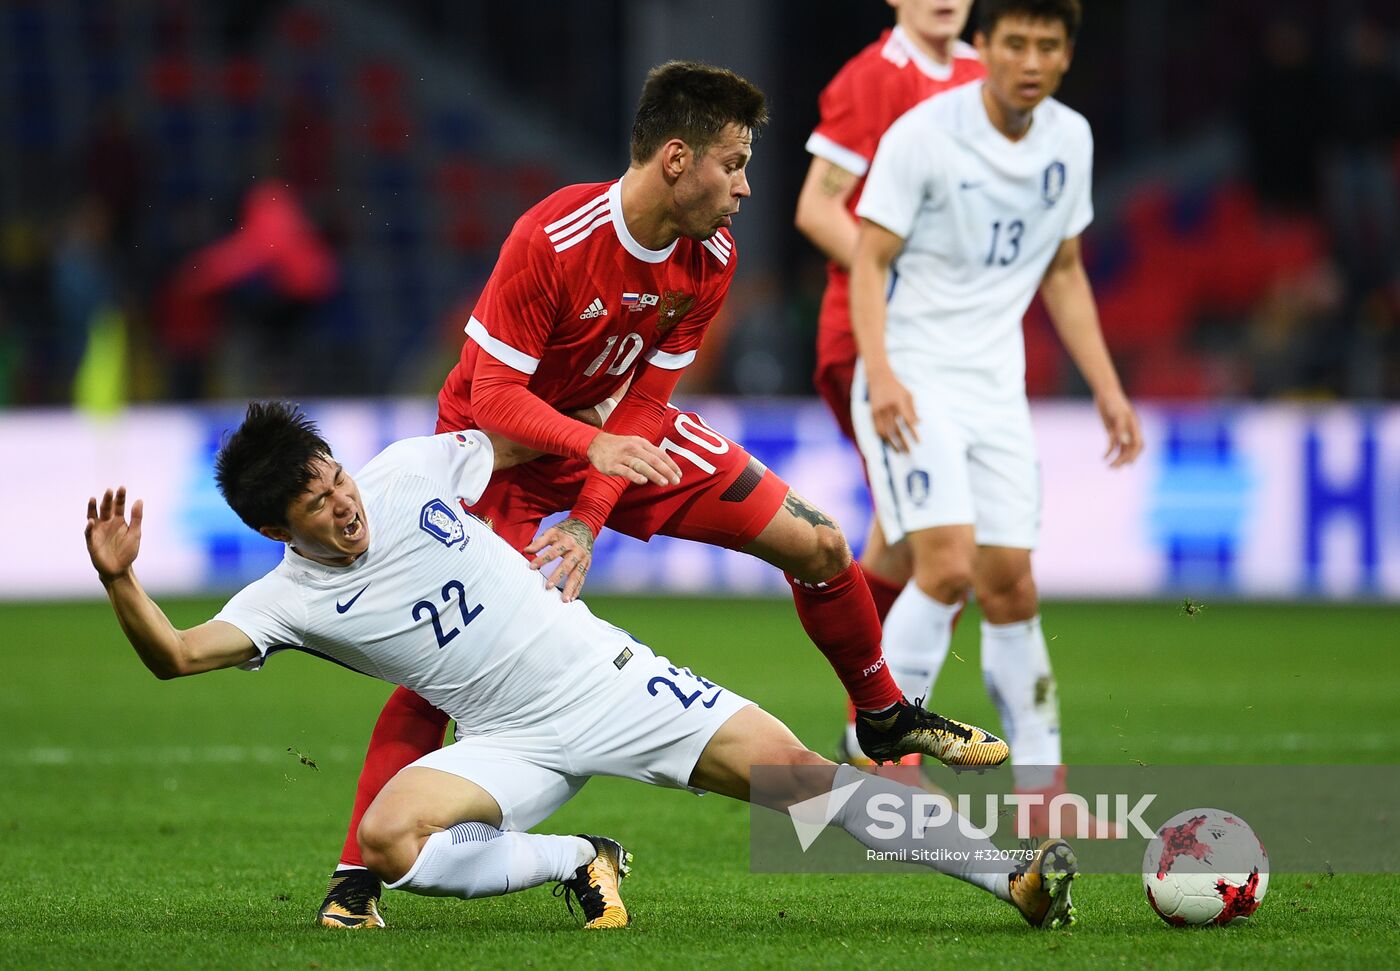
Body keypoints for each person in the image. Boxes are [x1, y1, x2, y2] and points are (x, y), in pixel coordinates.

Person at [316, 60, 1009, 929]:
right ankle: (355, 877)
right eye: (735, 162)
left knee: (822, 543)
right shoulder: (552, 239)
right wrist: (588, 448)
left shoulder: (709, 255)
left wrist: (592, 515)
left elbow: (648, 405)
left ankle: (881, 713)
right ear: (677, 159)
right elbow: (491, 397)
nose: (747, 186)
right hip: (497, 458)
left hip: (623, 436)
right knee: (439, 670)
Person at [83, 402, 1078, 932]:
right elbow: (173, 657)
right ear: (273, 526)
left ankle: (1014, 879)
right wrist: (125, 583)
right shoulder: (284, 599)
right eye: (313, 502)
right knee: (389, 839)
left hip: (606, 679)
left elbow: (521, 437)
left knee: (802, 786)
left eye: (332, 475)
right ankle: (576, 855)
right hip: (507, 741)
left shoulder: (409, 468)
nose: (341, 502)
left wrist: (602, 448)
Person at [848, 0, 1143, 833]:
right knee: (944, 563)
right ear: (984, 47)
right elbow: (870, 261)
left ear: (1066, 56)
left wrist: (1107, 387)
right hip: (910, 376)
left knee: (1011, 581)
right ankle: (885, 756)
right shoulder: (924, 135)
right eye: (1015, 42)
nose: (1030, 59)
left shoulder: (1070, 140)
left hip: (995, 388)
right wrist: (881, 373)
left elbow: (1066, 271)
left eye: (1048, 45)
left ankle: (1045, 789)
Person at [794, 0, 984, 766]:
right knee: (942, 551)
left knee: (905, 546)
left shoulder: (983, 77)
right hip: (875, 342)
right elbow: (817, 205)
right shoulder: (871, 78)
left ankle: (874, 732)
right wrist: (911, 279)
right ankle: (886, 746)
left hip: (950, 348)